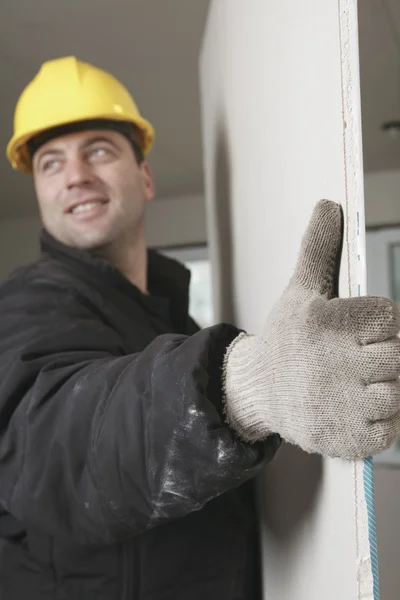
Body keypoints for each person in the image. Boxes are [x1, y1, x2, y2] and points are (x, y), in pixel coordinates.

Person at [0, 56, 399, 600]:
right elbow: (60, 440)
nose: (75, 175)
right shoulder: (27, 303)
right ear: (41, 195)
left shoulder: (171, 318)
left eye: (98, 150)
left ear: (144, 178)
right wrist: (250, 385)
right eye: (50, 163)